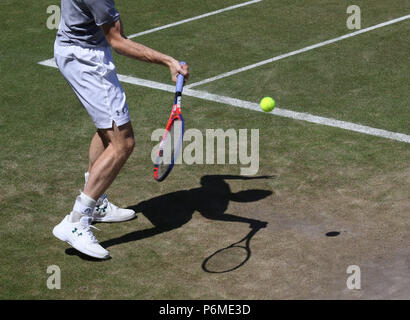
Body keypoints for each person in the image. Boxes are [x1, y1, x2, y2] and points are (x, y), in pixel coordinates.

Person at [52, 0, 189, 259]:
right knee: (122, 143)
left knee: (107, 131)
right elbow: (118, 40)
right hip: (87, 60)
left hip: (76, 51)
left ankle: (97, 203)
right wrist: (167, 61)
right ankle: (77, 220)